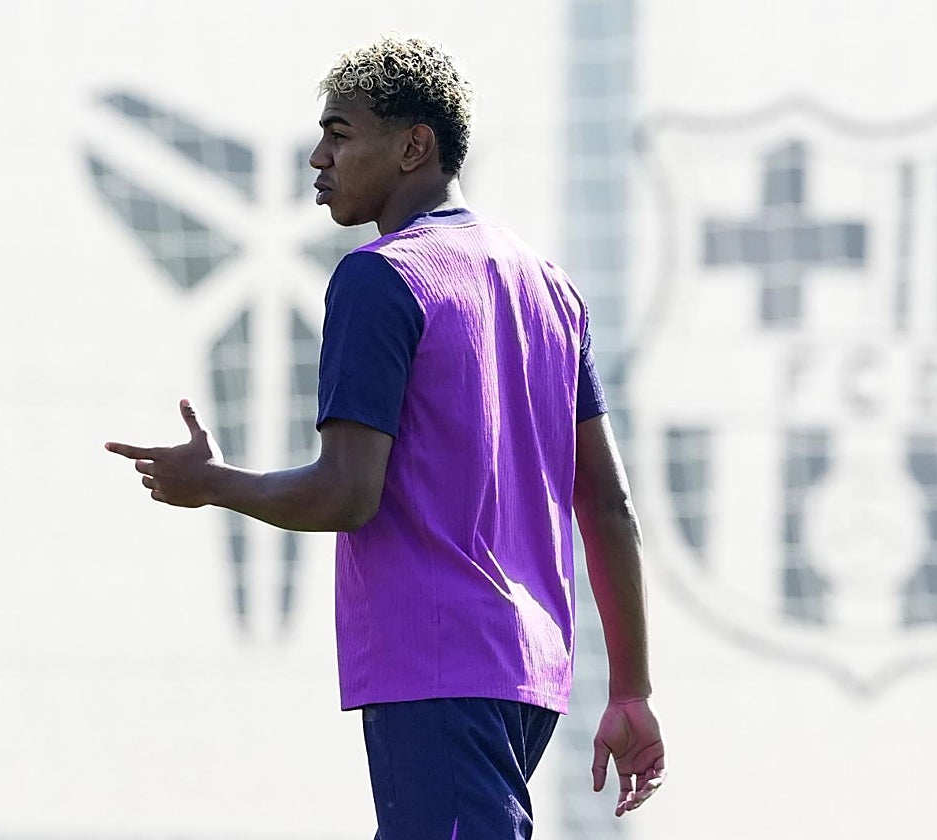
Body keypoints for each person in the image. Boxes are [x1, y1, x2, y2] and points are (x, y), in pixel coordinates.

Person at [106, 34, 664, 839]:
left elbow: (346, 492)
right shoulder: (550, 288)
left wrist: (213, 484)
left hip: (438, 666)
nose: (316, 157)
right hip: (529, 679)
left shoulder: (380, 276)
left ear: (414, 145)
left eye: (339, 133)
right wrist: (630, 690)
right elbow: (607, 503)